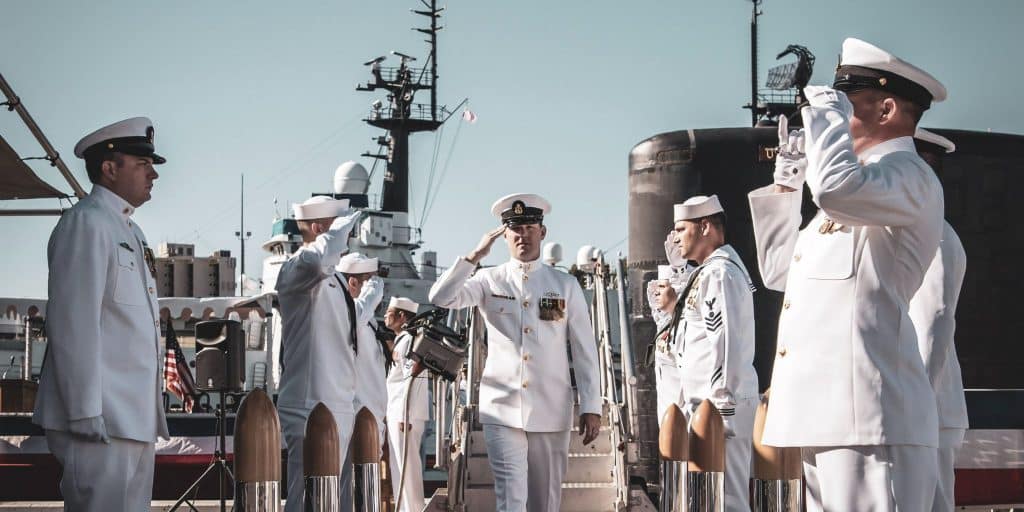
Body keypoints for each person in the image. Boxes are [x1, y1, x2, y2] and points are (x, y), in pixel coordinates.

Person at [748, 38, 947, 511]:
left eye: (848, 103)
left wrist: (822, 115)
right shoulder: (860, 190)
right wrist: (786, 182)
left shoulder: (908, 176)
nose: (838, 114)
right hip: (824, 416)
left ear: (888, 109)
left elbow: (836, 190)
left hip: (872, 421)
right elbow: (779, 271)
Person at [428, 193, 602, 512]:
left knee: (545, 501)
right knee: (511, 497)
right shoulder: (488, 279)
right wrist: (474, 256)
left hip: (551, 408)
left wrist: (591, 404)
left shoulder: (564, 286)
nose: (523, 235)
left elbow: (585, 348)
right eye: (515, 228)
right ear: (504, 235)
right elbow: (441, 298)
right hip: (502, 408)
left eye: (530, 227)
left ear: (543, 231)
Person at [33, 117, 170, 511]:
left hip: (131, 418)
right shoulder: (87, 223)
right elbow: (74, 324)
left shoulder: (130, 231)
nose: (153, 173)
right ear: (109, 168)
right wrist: (83, 411)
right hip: (100, 417)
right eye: (142, 163)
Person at [669, 195, 758, 512]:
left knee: (728, 500)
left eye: (681, 229)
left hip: (720, 406)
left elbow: (727, 342)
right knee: (710, 501)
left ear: (704, 226)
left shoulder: (720, 274)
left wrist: (722, 406)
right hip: (706, 406)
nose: (676, 236)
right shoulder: (709, 272)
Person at [275, 195, 361, 512]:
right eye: (341, 230)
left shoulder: (336, 278)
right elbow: (316, 259)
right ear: (319, 228)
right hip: (309, 403)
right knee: (304, 499)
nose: (348, 238)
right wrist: (340, 227)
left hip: (338, 402)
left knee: (332, 503)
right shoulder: (297, 270)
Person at [912, 128, 969, 512]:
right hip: (917, 404)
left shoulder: (936, 237)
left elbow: (932, 322)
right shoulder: (918, 233)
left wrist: (915, 399)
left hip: (925, 406)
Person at [384, 296, 428, 512]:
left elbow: (413, 379)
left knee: (407, 469)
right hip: (398, 412)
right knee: (400, 468)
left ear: (402, 316)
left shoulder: (410, 340)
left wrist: (405, 414)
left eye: (390, 311)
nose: (385, 315)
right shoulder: (402, 339)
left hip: (405, 415)